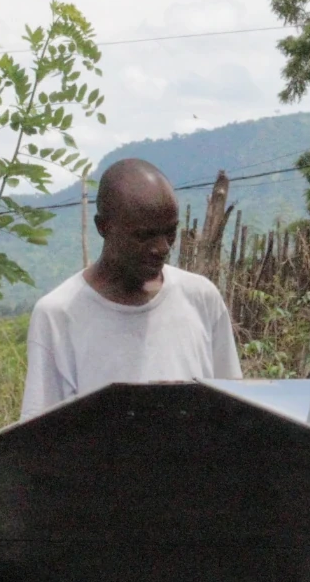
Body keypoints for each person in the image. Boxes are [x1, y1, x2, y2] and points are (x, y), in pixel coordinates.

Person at [22, 158, 242, 419]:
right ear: (103, 227)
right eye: (143, 235)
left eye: (170, 232)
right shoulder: (59, 315)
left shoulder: (201, 298)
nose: (162, 248)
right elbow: (42, 439)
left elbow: (234, 411)